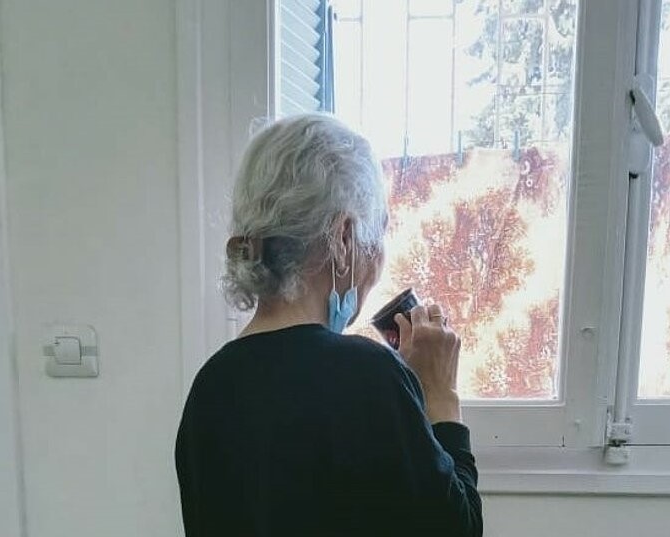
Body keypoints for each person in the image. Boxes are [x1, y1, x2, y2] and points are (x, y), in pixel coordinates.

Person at [175, 114, 482, 537]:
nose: (375, 264)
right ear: (342, 238)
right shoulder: (369, 375)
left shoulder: (209, 386)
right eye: (377, 238)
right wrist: (440, 396)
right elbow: (457, 528)